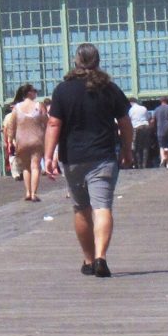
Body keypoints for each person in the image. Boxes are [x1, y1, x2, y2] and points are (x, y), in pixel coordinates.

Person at [45, 45, 134, 277]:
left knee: (81, 209)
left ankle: (88, 259)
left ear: (76, 61)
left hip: (73, 158)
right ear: (98, 61)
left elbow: (54, 124)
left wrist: (48, 156)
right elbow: (125, 123)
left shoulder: (62, 90)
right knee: (102, 206)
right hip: (103, 156)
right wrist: (127, 150)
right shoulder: (109, 89)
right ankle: (100, 257)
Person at [3, 84, 49, 202]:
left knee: (25, 167)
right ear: (29, 93)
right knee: (35, 166)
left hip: (21, 141)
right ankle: (34, 193)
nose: (36, 93)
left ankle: (28, 192)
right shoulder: (39, 106)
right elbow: (47, 121)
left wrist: (10, 139)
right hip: (37, 140)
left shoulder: (17, 108)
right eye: (34, 91)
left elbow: (11, 126)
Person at [152, 97, 168, 169]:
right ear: (167, 101)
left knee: (161, 146)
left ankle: (163, 158)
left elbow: (153, 120)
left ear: (160, 101)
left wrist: (153, 128)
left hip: (160, 130)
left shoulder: (156, 109)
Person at [127, 98, 153, 169]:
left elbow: (128, 121)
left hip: (137, 128)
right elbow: (149, 118)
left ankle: (138, 164)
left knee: (136, 147)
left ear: (131, 103)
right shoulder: (143, 108)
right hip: (146, 127)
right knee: (145, 147)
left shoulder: (131, 110)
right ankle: (145, 164)